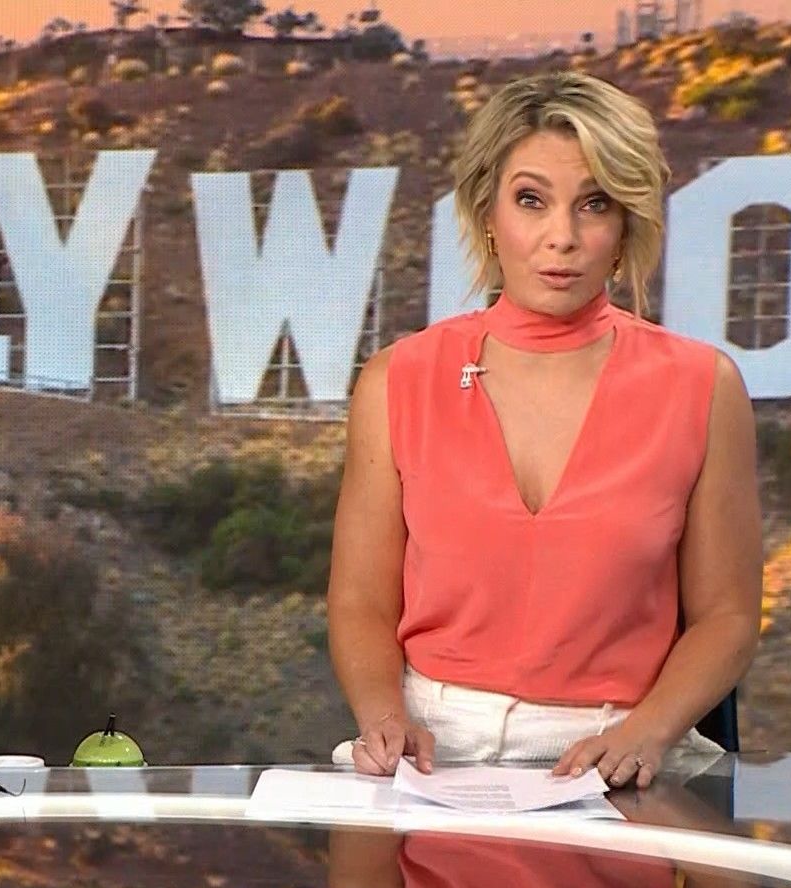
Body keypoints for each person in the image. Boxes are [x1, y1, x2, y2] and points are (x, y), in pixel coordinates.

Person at [326, 71, 761, 788]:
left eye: (594, 204)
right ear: (487, 215)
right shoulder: (396, 380)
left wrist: (644, 735)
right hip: (430, 758)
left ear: (624, 228)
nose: (562, 237)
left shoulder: (703, 386)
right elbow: (361, 603)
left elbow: (727, 617)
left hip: (621, 760)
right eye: (531, 200)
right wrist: (383, 717)